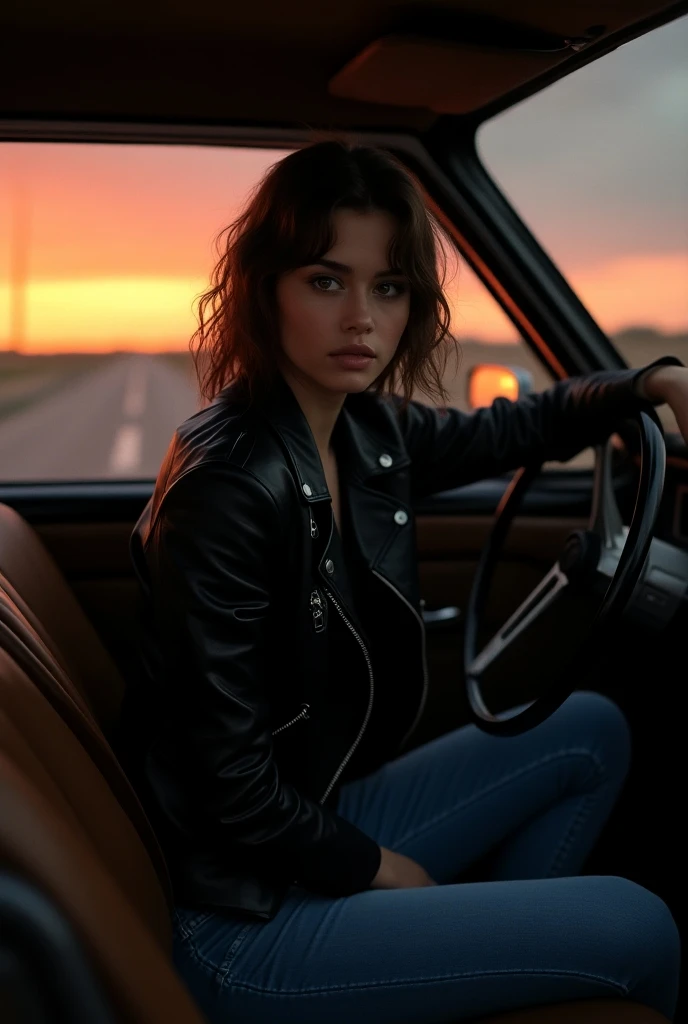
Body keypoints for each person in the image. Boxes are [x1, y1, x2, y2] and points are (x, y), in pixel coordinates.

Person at [123, 138, 685, 1023]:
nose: (363, 319)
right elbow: (226, 783)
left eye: (388, 287)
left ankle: (472, 978)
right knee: (642, 926)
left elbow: (514, 429)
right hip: (239, 924)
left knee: (588, 731)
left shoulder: (360, 429)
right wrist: (379, 868)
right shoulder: (230, 485)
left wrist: (648, 383)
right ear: (264, 288)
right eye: (326, 280)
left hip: (306, 828)